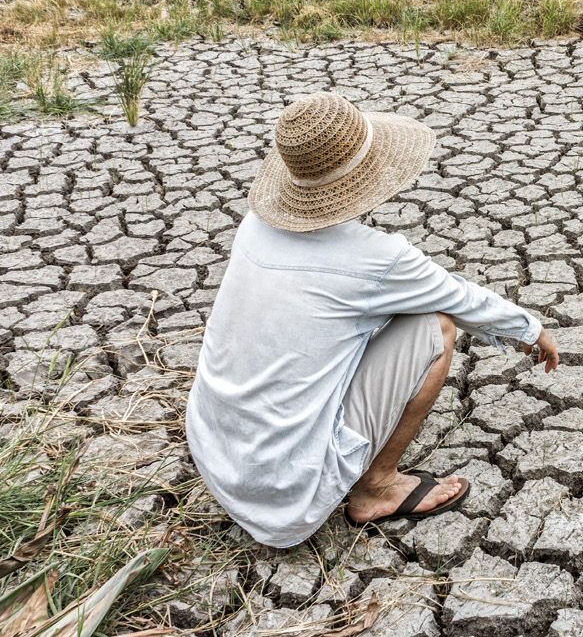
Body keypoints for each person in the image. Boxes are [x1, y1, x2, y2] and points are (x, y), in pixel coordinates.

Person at [185, 92, 560, 548]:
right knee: (434, 325)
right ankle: (376, 487)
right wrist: (531, 329)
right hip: (286, 499)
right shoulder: (376, 258)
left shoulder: (254, 225)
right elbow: (459, 298)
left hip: (216, 456)